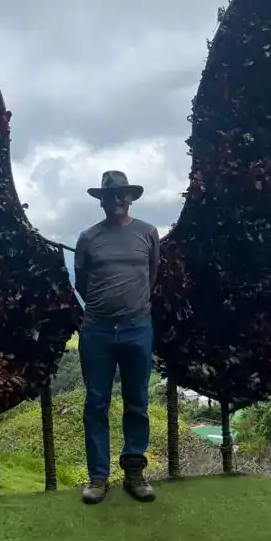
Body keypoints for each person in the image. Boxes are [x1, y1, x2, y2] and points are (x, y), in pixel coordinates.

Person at [74, 170, 160, 505]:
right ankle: (98, 478)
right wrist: (104, 306)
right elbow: (82, 282)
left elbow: (152, 274)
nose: (117, 201)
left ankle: (134, 473)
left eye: (122, 195)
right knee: (96, 403)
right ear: (102, 201)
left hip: (138, 327)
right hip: (96, 330)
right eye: (110, 196)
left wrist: (133, 306)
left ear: (132, 198)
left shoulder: (148, 233)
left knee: (137, 401)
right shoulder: (88, 237)